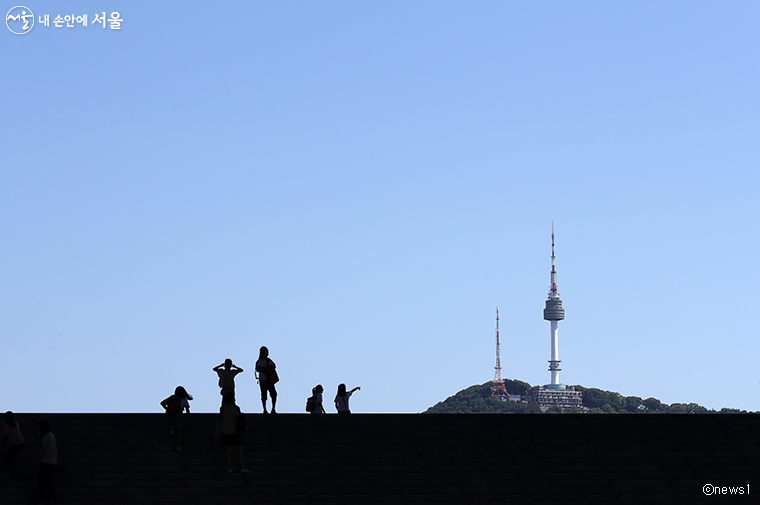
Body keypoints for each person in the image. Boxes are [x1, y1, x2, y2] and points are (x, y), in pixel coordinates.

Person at [219, 393, 251, 473]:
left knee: (228, 452)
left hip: (225, 431)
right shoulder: (236, 408)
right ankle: (242, 467)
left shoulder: (222, 409)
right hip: (235, 431)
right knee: (239, 451)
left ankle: (229, 467)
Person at [161, 386, 192, 452]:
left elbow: (162, 403)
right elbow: (187, 409)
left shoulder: (171, 397)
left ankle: (171, 430)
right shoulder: (183, 400)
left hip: (170, 414)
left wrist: (167, 409)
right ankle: (177, 446)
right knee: (179, 432)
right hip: (178, 415)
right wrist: (189, 418)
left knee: (170, 420)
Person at [37, 419, 57, 505]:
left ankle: (43, 500)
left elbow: (43, 451)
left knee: (41, 482)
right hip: (52, 462)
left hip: (45, 462)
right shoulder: (52, 436)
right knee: (49, 482)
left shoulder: (45, 437)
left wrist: (38, 463)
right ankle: (52, 499)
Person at [255, 347, 278, 414]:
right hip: (263, 380)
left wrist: (267, 369)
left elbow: (274, 366)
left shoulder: (269, 360)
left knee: (274, 394)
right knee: (264, 395)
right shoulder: (259, 361)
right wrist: (266, 370)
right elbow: (258, 369)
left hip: (270, 379)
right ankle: (264, 409)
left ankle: (273, 408)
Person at [2, 411, 24, 478]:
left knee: (8, 459)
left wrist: (3, 447)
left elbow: (6, 437)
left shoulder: (7, 425)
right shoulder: (16, 423)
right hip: (21, 442)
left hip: (15, 444)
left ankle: (18, 468)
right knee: (11, 459)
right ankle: (14, 474)